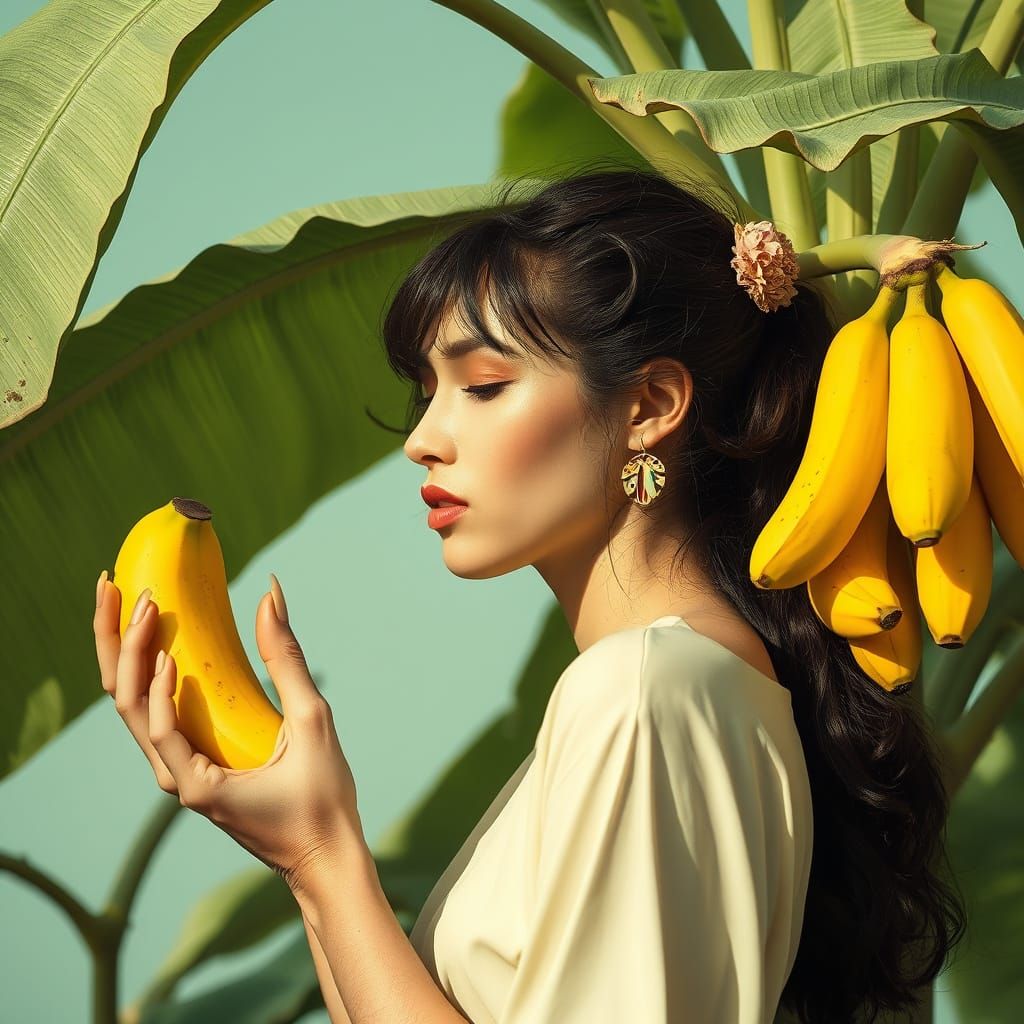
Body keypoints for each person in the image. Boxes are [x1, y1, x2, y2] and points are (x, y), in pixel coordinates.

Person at [95, 162, 967, 1024]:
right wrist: (309, 862)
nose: (423, 441)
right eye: (426, 393)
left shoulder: (645, 693)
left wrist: (324, 854)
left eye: (482, 387)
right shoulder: (675, 689)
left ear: (648, 405)